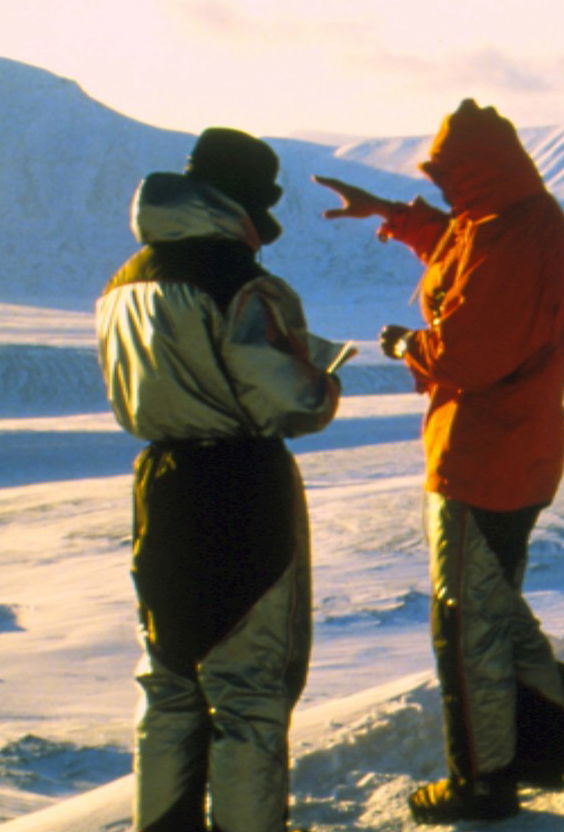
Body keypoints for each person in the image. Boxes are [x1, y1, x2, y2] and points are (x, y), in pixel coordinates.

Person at [314, 98, 564, 824]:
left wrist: (410, 347)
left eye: (447, 174)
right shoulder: (503, 218)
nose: (442, 188)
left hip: (485, 459)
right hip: (504, 451)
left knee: (466, 626)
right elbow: (462, 252)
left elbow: (469, 350)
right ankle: (541, 741)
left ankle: (483, 780)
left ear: (477, 170)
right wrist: (398, 218)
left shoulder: (515, 232)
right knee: (492, 607)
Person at [97, 128, 349, 831]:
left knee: (172, 681)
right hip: (242, 489)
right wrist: (322, 381)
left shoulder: (124, 280)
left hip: (161, 483)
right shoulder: (239, 282)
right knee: (249, 696)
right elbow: (290, 401)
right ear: (242, 202)